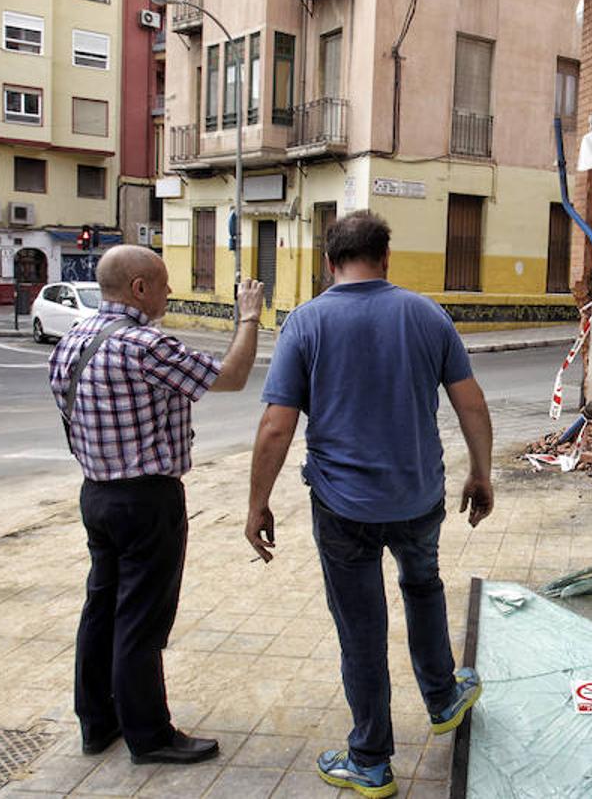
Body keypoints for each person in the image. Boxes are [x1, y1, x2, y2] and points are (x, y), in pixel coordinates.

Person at [246, 211, 494, 798]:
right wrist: (481, 475)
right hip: (418, 497)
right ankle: (441, 697)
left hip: (341, 507)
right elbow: (473, 405)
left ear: (330, 264)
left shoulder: (305, 324)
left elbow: (276, 427)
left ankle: (371, 760)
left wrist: (257, 504)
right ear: (385, 258)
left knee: (361, 628)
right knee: (423, 586)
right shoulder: (427, 315)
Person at [48, 245, 265, 765]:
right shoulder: (145, 345)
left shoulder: (70, 342)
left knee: (101, 609)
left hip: (97, 493)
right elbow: (231, 376)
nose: (169, 293)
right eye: (164, 284)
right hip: (146, 499)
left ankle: (98, 724)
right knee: (142, 619)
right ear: (140, 288)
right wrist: (250, 318)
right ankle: (150, 735)